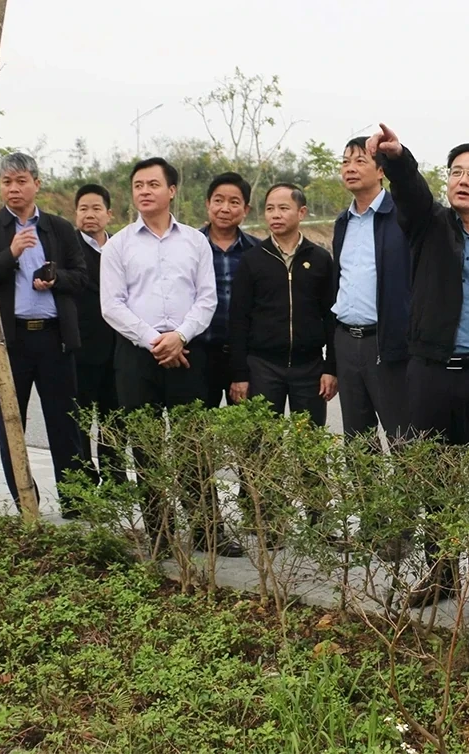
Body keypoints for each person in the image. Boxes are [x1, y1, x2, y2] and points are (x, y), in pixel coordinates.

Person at [368, 123, 469, 623]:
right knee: (434, 480)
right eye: (456, 171)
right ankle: (440, 574)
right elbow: (410, 192)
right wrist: (397, 159)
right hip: (430, 373)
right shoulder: (429, 226)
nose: (463, 180)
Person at [100, 157, 243, 557]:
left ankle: (206, 531)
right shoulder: (118, 245)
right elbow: (111, 305)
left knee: (192, 445)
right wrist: (155, 340)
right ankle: (160, 534)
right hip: (136, 355)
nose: (144, 191)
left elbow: (207, 298)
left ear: (172, 190)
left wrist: (179, 337)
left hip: (187, 353)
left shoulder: (195, 242)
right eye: (138, 185)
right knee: (145, 447)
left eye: (153, 184)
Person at [0, 152, 87, 517]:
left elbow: (82, 278)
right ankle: (25, 502)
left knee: (65, 423)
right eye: (6, 182)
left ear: (36, 184)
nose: (13, 189)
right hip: (7, 342)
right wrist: (10, 253)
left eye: (21, 181)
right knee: (11, 423)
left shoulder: (59, 228)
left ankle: (75, 503)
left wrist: (55, 278)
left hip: (54, 339)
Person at [228, 184, 337, 424]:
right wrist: (240, 374)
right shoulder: (252, 259)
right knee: (262, 440)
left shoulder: (319, 259)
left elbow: (331, 316)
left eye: (283, 208)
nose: (275, 215)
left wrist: (331, 368)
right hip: (262, 367)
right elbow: (238, 319)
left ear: (301, 212)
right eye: (270, 209)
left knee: (309, 440)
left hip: (309, 366)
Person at [331, 137, 412, 443]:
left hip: (388, 342)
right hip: (347, 342)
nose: (350, 168)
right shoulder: (343, 222)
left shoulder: (402, 216)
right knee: (358, 442)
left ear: (381, 171)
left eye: (359, 161)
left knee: (403, 437)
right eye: (345, 162)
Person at [72, 183, 125, 488]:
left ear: (109, 214)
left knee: (114, 418)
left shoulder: (121, 247)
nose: (89, 215)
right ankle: (84, 482)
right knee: (79, 419)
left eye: (96, 208)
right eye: (83, 209)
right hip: (80, 347)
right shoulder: (67, 248)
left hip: (118, 348)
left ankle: (115, 480)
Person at [199, 172, 261, 408]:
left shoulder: (258, 251)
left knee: (247, 426)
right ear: (208, 204)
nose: (225, 208)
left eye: (234, 202)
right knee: (198, 426)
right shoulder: (189, 246)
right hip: (200, 354)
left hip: (247, 356)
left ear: (246, 209)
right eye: (218, 200)